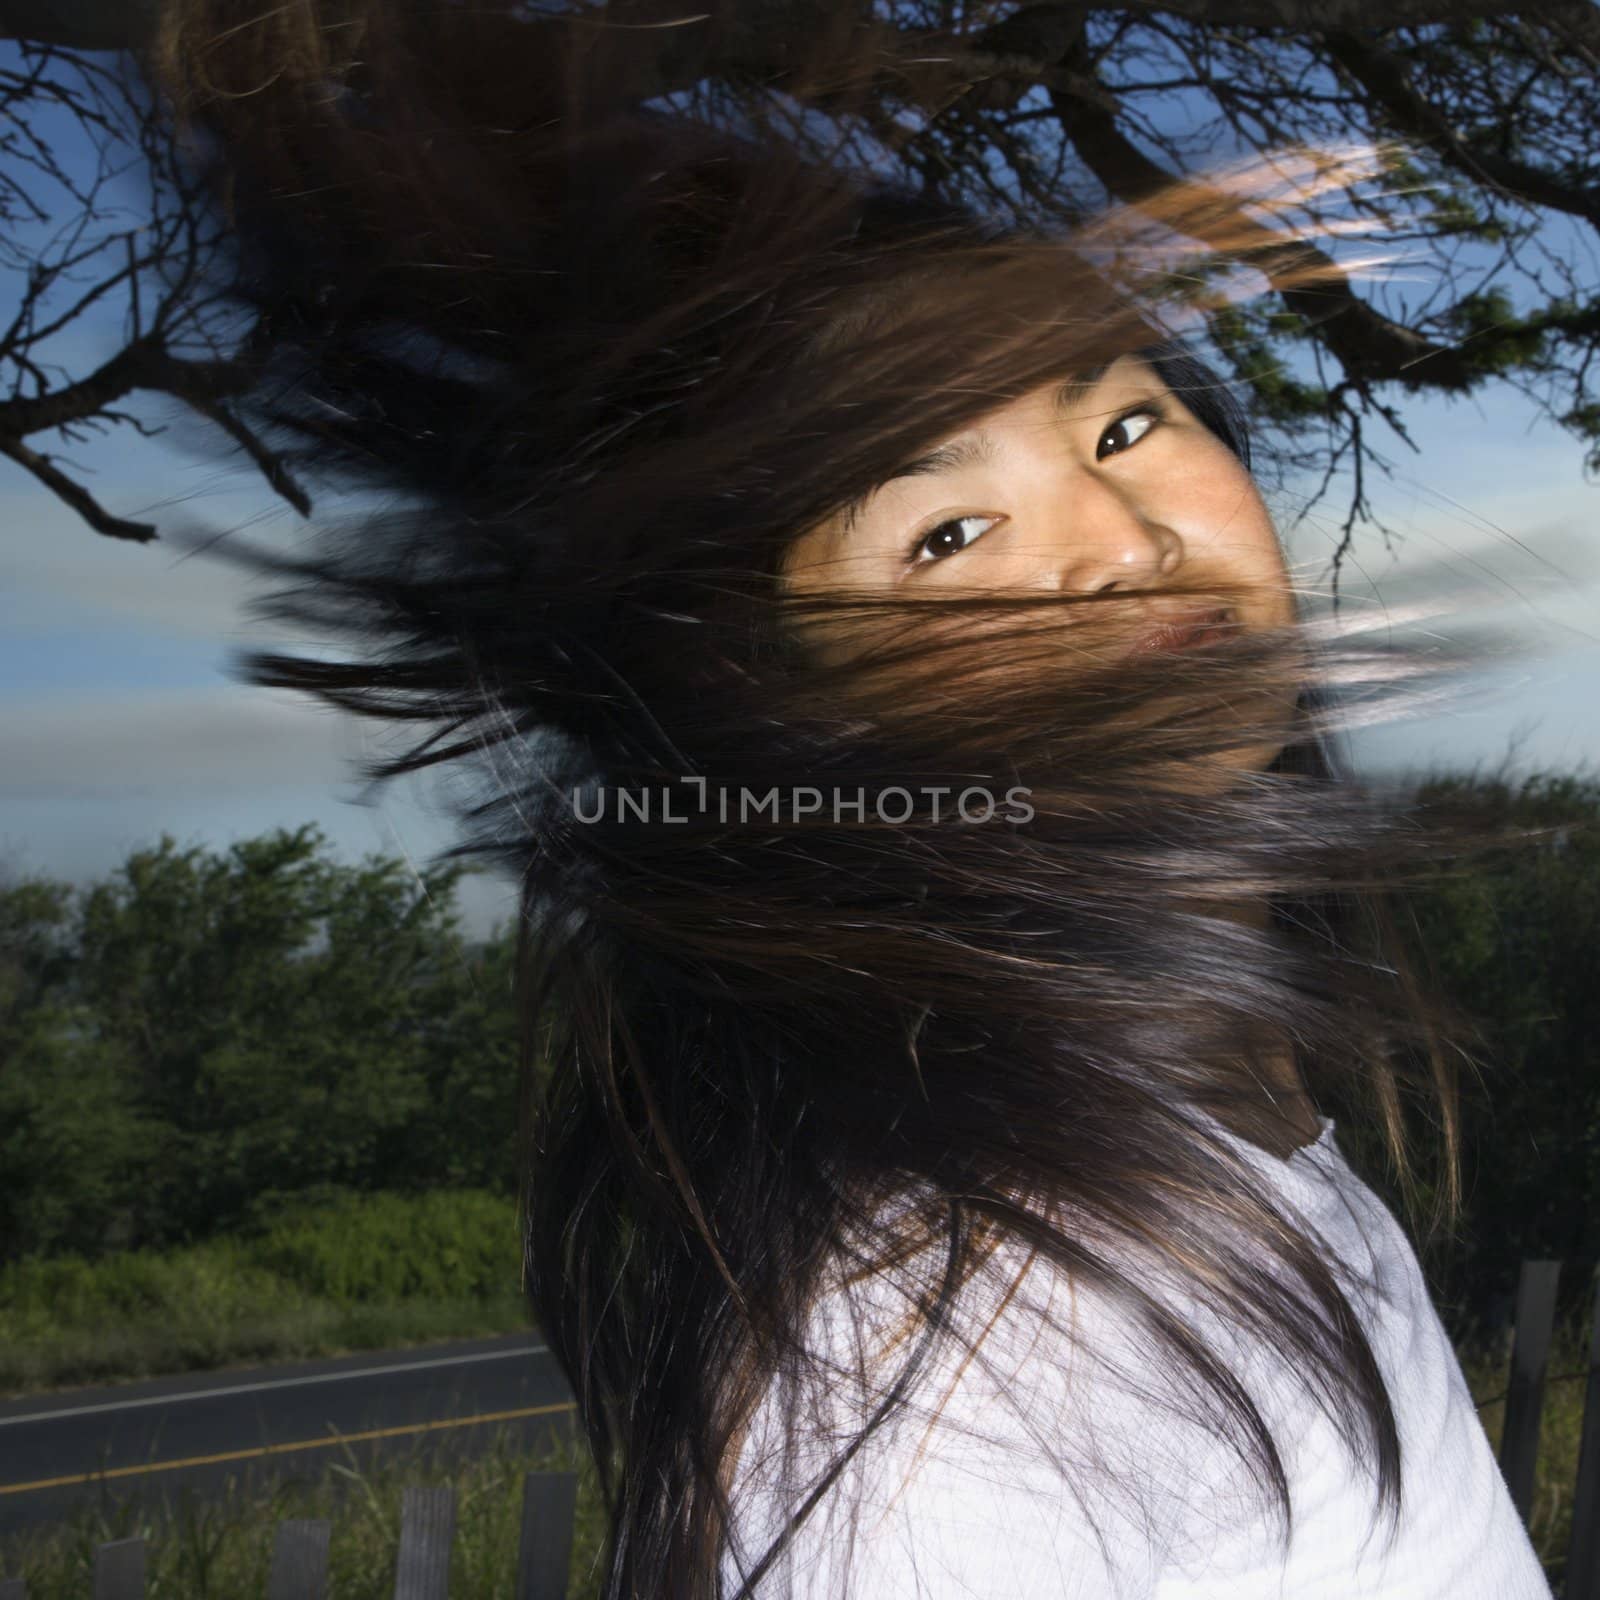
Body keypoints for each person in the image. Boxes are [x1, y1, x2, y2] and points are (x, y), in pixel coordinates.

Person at [144, 4, 1553, 1595]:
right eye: (945, 536)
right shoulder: (959, 1372)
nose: (1118, 536)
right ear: (785, 713)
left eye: (1124, 418)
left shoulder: (1201, 1099)